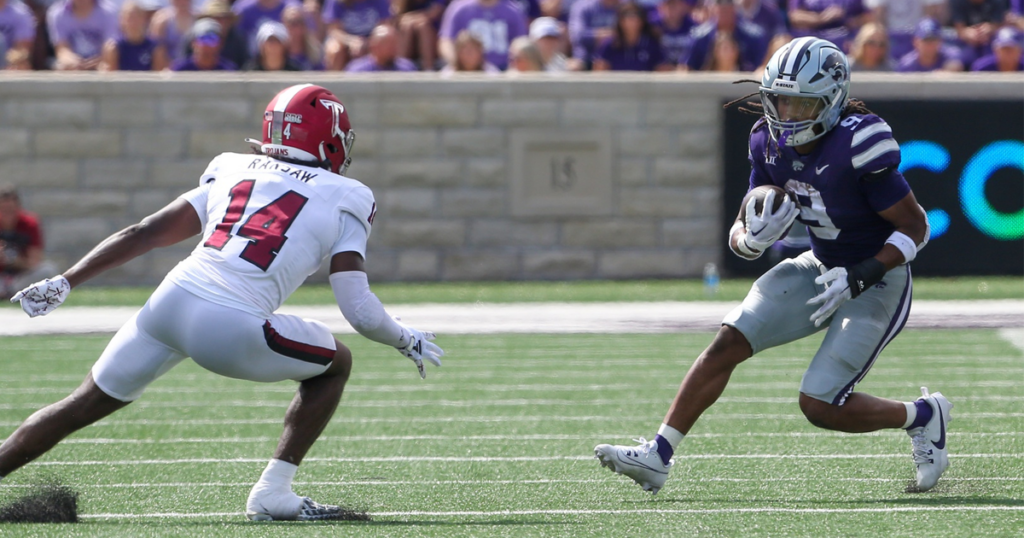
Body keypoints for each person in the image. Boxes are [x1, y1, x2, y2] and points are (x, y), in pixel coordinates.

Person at [0, 84, 445, 521]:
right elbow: (358, 308)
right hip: (231, 324)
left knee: (80, 404)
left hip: (170, 303)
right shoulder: (349, 195)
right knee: (337, 363)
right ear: (327, 141)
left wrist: (67, 280)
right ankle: (273, 492)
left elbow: (146, 232)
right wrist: (404, 337)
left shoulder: (233, 166)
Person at [595, 37, 951, 497]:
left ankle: (923, 415)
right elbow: (745, 222)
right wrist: (749, 239)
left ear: (831, 101)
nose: (787, 113)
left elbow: (916, 229)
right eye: (780, 99)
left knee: (819, 405)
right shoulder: (766, 140)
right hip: (821, 263)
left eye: (801, 103)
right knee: (729, 340)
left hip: (877, 278)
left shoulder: (860, 140)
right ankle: (658, 455)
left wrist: (861, 273)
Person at [0, 185, 57, 301]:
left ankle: (11, 293)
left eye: (11, 210)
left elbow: (35, 261)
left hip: (21, 276)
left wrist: (13, 260)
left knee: (48, 269)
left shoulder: (30, 223)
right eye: (4, 210)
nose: (8, 215)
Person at [439, 0, 528, 71]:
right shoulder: (459, 8)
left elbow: (521, 43)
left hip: (504, 70)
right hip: (465, 70)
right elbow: (446, 41)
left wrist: (511, 68)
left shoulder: (513, 10)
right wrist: (457, 64)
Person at [685, 0, 765, 72]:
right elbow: (687, 68)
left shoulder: (753, 37)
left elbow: (762, 67)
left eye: (728, 8)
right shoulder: (699, 37)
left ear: (735, 9)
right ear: (713, 9)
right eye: (721, 9)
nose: (725, 12)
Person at [592, 0, 671, 70]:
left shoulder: (652, 44)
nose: (633, 20)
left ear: (642, 20)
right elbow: (599, 72)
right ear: (620, 21)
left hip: (644, 86)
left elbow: (662, 71)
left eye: (637, 15)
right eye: (628, 15)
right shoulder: (609, 44)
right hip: (616, 86)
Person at [46, 0, 118, 70]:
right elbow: (61, 49)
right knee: (60, 67)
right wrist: (71, 60)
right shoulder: (57, 13)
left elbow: (111, 47)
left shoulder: (109, 12)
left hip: (101, 65)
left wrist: (95, 62)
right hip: (73, 68)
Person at [864, 0, 945, 61]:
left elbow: (930, 13)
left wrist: (922, 33)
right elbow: (878, 15)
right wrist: (882, 36)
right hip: (891, 35)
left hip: (916, 35)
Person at [321, 0, 391, 69]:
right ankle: (334, 79)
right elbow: (334, 30)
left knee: (385, 45)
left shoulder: (380, 1)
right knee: (335, 50)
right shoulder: (336, 2)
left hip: (372, 40)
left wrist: (368, 43)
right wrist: (351, 41)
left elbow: (384, 27)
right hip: (345, 40)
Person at [100, 0, 168, 70]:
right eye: (129, 17)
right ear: (122, 20)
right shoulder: (114, 48)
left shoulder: (155, 48)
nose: (133, 22)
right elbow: (110, 77)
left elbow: (159, 76)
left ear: (144, 19)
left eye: (137, 17)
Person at [787, 0, 872, 53]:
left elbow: (868, 16)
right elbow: (794, 16)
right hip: (812, 38)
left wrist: (850, 21)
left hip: (845, 38)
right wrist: (820, 18)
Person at [896, 17, 965, 72]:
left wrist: (945, 73)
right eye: (926, 40)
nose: (930, 45)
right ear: (916, 42)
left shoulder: (950, 55)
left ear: (940, 41)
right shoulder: (907, 65)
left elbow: (956, 65)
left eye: (933, 40)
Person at [392, 0, 445, 70]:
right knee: (407, 26)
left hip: (435, 37)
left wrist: (411, 19)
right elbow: (397, 17)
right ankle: (400, 67)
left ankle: (429, 68)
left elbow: (434, 13)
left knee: (423, 26)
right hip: (412, 38)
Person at [169, 17, 237, 69]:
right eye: (203, 38)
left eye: (212, 39)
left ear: (220, 44)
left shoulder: (229, 71)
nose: (207, 45)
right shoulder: (179, 70)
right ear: (193, 43)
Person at [567, 0, 619, 69]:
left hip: (614, 59)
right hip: (585, 59)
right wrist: (601, 35)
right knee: (574, 66)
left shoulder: (624, 6)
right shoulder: (583, 6)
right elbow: (577, 36)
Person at [345, 23, 419, 70]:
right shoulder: (358, 71)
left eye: (395, 43)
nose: (394, 48)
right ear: (374, 46)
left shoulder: (407, 68)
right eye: (389, 44)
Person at [654, 0, 696, 69]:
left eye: (674, 4)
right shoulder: (653, 27)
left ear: (683, 6)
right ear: (660, 7)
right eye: (668, 4)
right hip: (661, 73)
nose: (670, 8)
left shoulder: (694, 27)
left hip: (686, 72)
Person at [281, 4, 322, 69]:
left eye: (299, 22)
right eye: (291, 22)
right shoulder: (278, 53)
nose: (296, 27)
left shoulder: (315, 54)